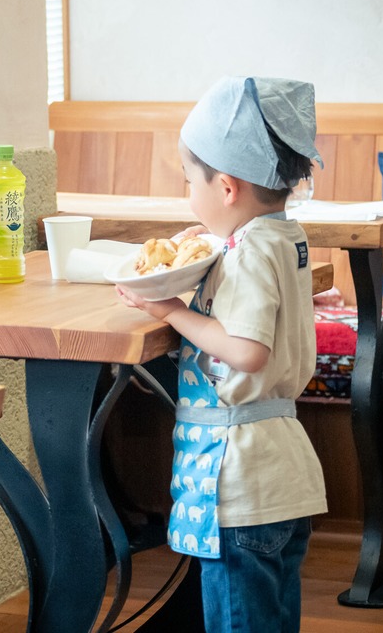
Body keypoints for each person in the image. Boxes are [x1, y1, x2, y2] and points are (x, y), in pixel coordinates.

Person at [115, 76, 328, 632]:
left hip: (241, 483)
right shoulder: (280, 237)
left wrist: (171, 312)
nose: (189, 195)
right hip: (278, 474)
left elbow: (247, 350)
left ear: (227, 188)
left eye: (190, 182)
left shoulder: (251, 253)